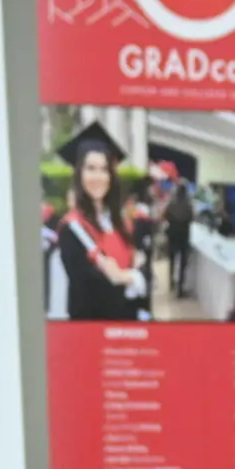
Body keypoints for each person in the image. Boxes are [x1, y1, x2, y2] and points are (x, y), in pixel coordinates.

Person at [55, 122, 146, 322]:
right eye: (91, 168)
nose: (98, 176)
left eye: (104, 169)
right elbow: (88, 288)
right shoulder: (72, 228)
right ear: (79, 174)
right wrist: (133, 277)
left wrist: (125, 277)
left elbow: (145, 272)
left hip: (128, 326)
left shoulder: (122, 222)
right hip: (91, 330)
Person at [164, 184, 196, 300]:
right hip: (184, 234)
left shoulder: (171, 203)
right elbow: (192, 218)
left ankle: (171, 282)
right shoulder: (188, 204)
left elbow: (166, 215)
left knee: (172, 259)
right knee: (183, 262)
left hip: (172, 234)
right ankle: (180, 288)